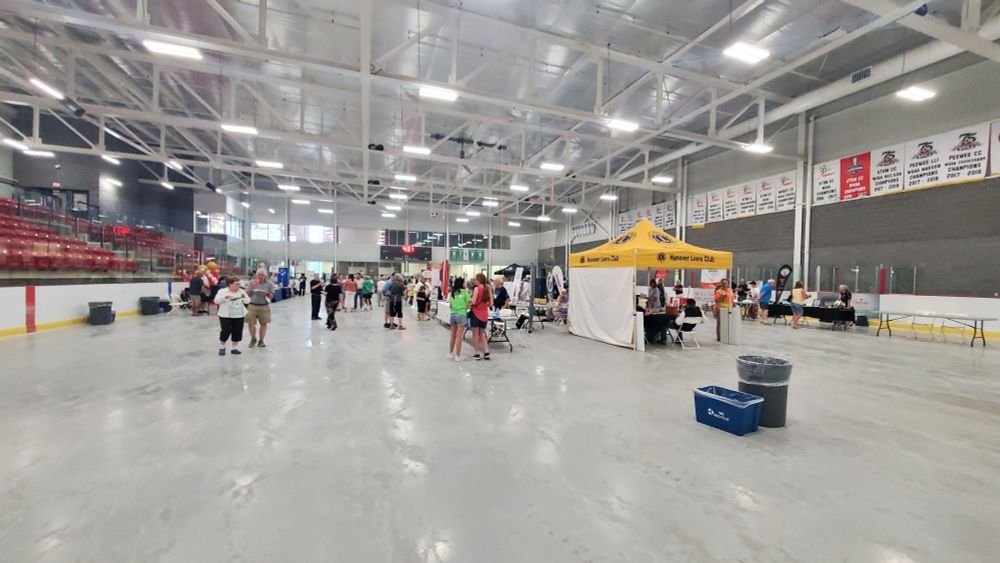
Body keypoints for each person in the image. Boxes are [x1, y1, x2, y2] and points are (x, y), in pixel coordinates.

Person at [214, 277, 250, 356]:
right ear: (230, 284)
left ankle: (234, 348)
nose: (238, 286)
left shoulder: (241, 291)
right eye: (236, 284)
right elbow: (216, 301)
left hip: (239, 315)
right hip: (226, 315)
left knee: (237, 331)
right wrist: (225, 297)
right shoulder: (222, 291)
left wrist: (242, 299)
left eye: (239, 284)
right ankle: (222, 347)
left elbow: (248, 300)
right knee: (225, 331)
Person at [245, 268, 275, 348]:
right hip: (252, 305)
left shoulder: (269, 284)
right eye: (259, 274)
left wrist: (266, 294)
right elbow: (246, 293)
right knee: (250, 323)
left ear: (265, 276)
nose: (260, 276)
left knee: (263, 323)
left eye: (262, 275)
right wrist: (252, 287)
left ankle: (261, 340)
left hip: (264, 306)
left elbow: (272, 296)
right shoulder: (251, 282)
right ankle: (253, 338)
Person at [469, 273, 493, 360]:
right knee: (482, 334)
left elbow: (473, 302)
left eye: (476, 279)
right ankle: (486, 352)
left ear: (479, 280)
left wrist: (470, 301)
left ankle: (477, 353)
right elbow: (491, 304)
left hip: (476, 314)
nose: (475, 280)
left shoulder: (476, 289)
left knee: (475, 334)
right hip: (484, 314)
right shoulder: (488, 288)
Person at [447, 278, 471, 361]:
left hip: (453, 314)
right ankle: (457, 356)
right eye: (464, 282)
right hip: (461, 314)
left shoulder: (453, 292)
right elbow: (468, 305)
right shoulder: (465, 292)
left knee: (453, 335)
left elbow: (450, 305)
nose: (465, 284)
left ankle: (450, 353)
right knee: (459, 336)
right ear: (461, 283)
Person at [644, 278, 668, 344]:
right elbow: (650, 297)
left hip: (656, 307)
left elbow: (655, 299)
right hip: (650, 306)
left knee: (656, 319)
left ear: (653, 283)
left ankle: (654, 334)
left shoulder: (656, 289)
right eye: (649, 283)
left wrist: (648, 298)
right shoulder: (650, 289)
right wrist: (647, 299)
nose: (650, 284)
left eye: (651, 283)